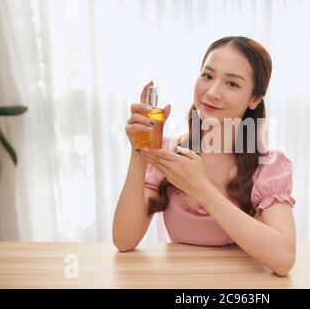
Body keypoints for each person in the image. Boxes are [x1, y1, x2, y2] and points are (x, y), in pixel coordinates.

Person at [113, 36, 296, 276]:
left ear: (254, 99)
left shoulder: (268, 166)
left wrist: (201, 188)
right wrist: (140, 151)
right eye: (207, 76)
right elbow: (124, 241)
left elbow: (284, 260)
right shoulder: (168, 155)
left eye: (231, 84)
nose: (211, 92)